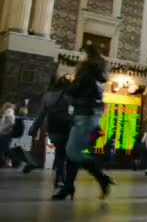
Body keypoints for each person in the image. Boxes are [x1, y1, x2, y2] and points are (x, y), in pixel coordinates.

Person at [54, 44, 114, 200]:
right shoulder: (94, 73)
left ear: (88, 55)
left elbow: (78, 91)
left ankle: (102, 178)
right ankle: (68, 187)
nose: (79, 56)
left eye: (81, 53)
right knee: (72, 153)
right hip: (86, 115)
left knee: (73, 152)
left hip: (84, 115)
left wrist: (66, 84)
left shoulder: (87, 73)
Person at [29, 76, 72, 188]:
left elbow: (41, 114)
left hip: (52, 128)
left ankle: (59, 179)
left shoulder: (47, 96)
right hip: (66, 128)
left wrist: (34, 128)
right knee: (64, 155)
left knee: (60, 154)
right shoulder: (69, 96)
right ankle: (61, 179)